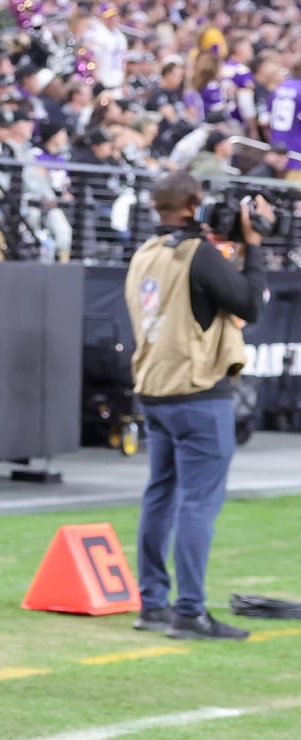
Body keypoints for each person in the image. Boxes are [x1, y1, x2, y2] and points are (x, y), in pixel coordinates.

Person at [123, 172, 269, 641]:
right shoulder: (196, 254)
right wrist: (254, 246)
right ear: (193, 204)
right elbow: (249, 302)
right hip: (197, 392)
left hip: (155, 390)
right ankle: (189, 611)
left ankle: (152, 603)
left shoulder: (144, 254)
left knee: (161, 494)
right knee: (198, 503)